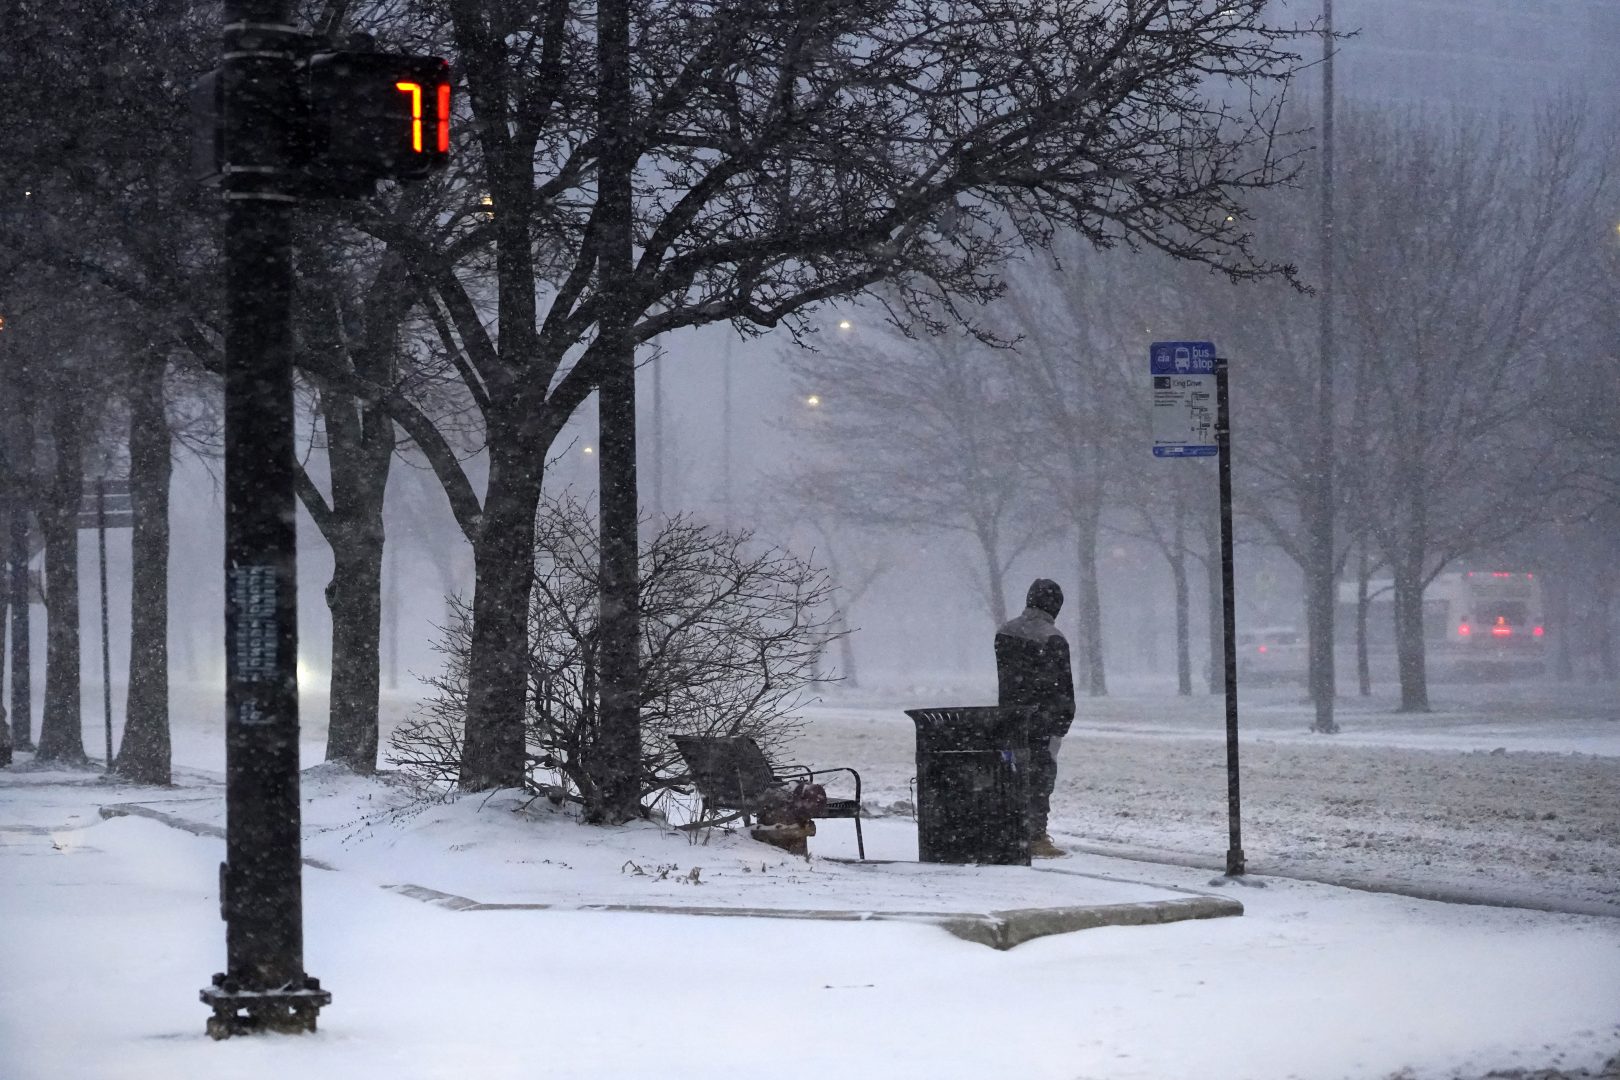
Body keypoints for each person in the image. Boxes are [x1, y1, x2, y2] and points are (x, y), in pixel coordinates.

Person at [995, 578, 1075, 859]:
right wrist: (1062, 722)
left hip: (1010, 718)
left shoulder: (1005, 632)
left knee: (1014, 775)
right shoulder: (1052, 637)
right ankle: (1036, 836)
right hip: (1043, 721)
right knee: (1041, 777)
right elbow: (1062, 687)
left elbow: (1010, 680)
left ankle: (1013, 830)